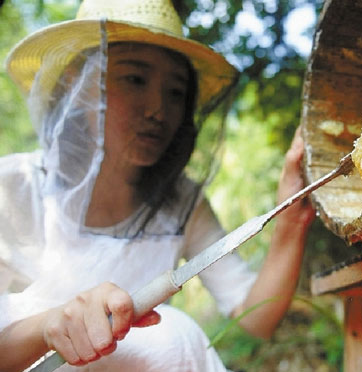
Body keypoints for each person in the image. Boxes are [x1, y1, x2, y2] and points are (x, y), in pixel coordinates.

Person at [0, 0, 315, 371]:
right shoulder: (11, 190)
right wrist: (49, 327)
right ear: (78, 82)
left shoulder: (182, 202)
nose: (158, 110)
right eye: (134, 79)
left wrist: (291, 221)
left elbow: (253, 315)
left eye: (176, 93)